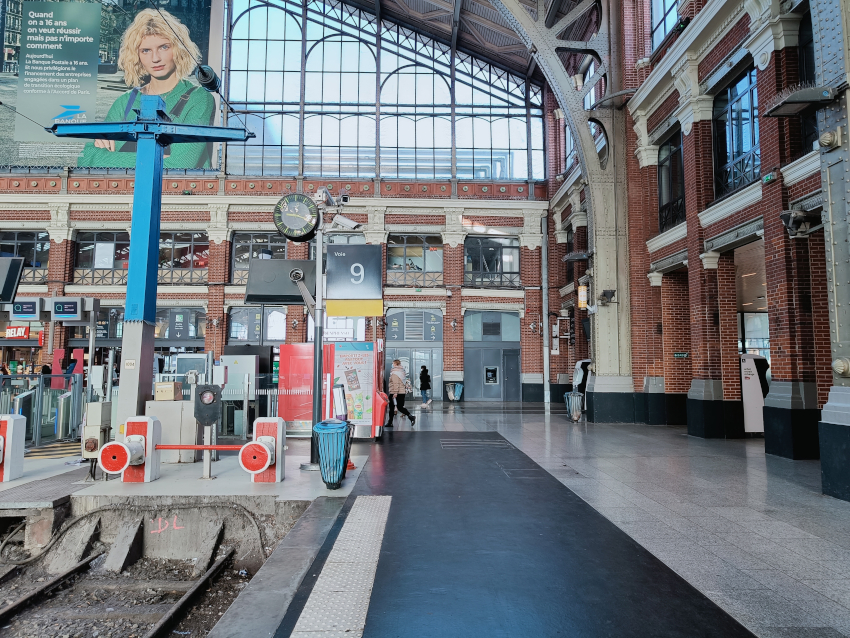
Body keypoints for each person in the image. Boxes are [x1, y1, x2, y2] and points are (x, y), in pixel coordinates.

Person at [76, 9, 216, 169]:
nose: (155, 58)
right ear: (137, 55)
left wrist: (111, 157)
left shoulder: (199, 98)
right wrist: (159, 158)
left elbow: (180, 164)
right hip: (124, 191)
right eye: (146, 50)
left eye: (164, 47)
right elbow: (85, 160)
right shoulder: (126, 101)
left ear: (178, 49)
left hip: (177, 192)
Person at [386, 359, 415, 428]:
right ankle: (411, 417)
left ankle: (390, 423)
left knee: (392, 408)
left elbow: (395, 383)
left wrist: (395, 393)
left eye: (393, 363)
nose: (392, 364)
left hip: (395, 392)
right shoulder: (402, 371)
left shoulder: (395, 373)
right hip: (402, 392)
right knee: (400, 407)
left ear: (395, 364)